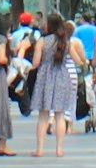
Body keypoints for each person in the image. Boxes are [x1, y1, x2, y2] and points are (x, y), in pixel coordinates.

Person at [31, 14, 79, 155]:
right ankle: (59, 149)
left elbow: (35, 63)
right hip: (62, 76)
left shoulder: (42, 41)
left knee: (43, 116)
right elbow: (77, 60)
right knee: (60, 115)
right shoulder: (66, 43)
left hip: (45, 77)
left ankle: (40, 149)